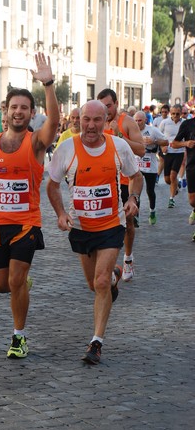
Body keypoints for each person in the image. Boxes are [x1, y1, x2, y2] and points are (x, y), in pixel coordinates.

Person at [0, 52, 59, 359]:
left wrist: (47, 84)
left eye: (24, 108)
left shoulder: (35, 143)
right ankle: (20, 285)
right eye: (13, 107)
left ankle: (18, 336)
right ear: (5, 111)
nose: (18, 112)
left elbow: (55, 121)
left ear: (32, 113)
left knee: (16, 280)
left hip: (26, 223)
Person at [46, 100, 143, 365]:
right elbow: (52, 186)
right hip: (80, 227)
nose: (90, 125)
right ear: (78, 120)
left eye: (97, 120)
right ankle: (113, 276)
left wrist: (133, 198)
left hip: (112, 224)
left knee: (99, 284)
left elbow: (136, 176)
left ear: (106, 121)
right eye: (86, 119)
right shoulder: (67, 149)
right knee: (95, 284)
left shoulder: (118, 146)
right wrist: (61, 214)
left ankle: (96, 343)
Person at [97, 88, 145, 282]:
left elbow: (141, 149)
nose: (106, 110)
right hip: (102, 182)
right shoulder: (97, 122)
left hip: (125, 180)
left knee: (127, 224)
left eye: (108, 106)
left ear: (116, 103)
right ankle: (106, 266)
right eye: (102, 106)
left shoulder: (127, 121)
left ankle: (127, 259)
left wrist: (120, 137)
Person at [134, 110, 168, 225]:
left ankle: (152, 211)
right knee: (135, 191)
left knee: (150, 190)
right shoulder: (132, 131)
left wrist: (154, 141)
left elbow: (166, 142)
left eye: (140, 120)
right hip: (136, 165)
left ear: (145, 120)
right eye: (135, 120)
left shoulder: (152, 130)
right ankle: (136, 216)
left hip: (150, 165)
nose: (137, 123)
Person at [170, 114, 195, 241]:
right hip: (192, 166)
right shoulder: (187, 124)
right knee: (192, 201)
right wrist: (186, 143)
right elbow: (174, 143)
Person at [159, 104, 185, 209]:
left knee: (173, 175)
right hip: (168, 152)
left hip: (179, 152)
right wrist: (162, 147)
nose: (175, 116)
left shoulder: (184, 123)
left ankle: (171, 199)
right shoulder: (164, 123)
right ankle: (176, 187)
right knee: (167, 179)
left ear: (181, 114)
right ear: (170, 113)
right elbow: (159, 136)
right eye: (173, 113)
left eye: (177, 114)